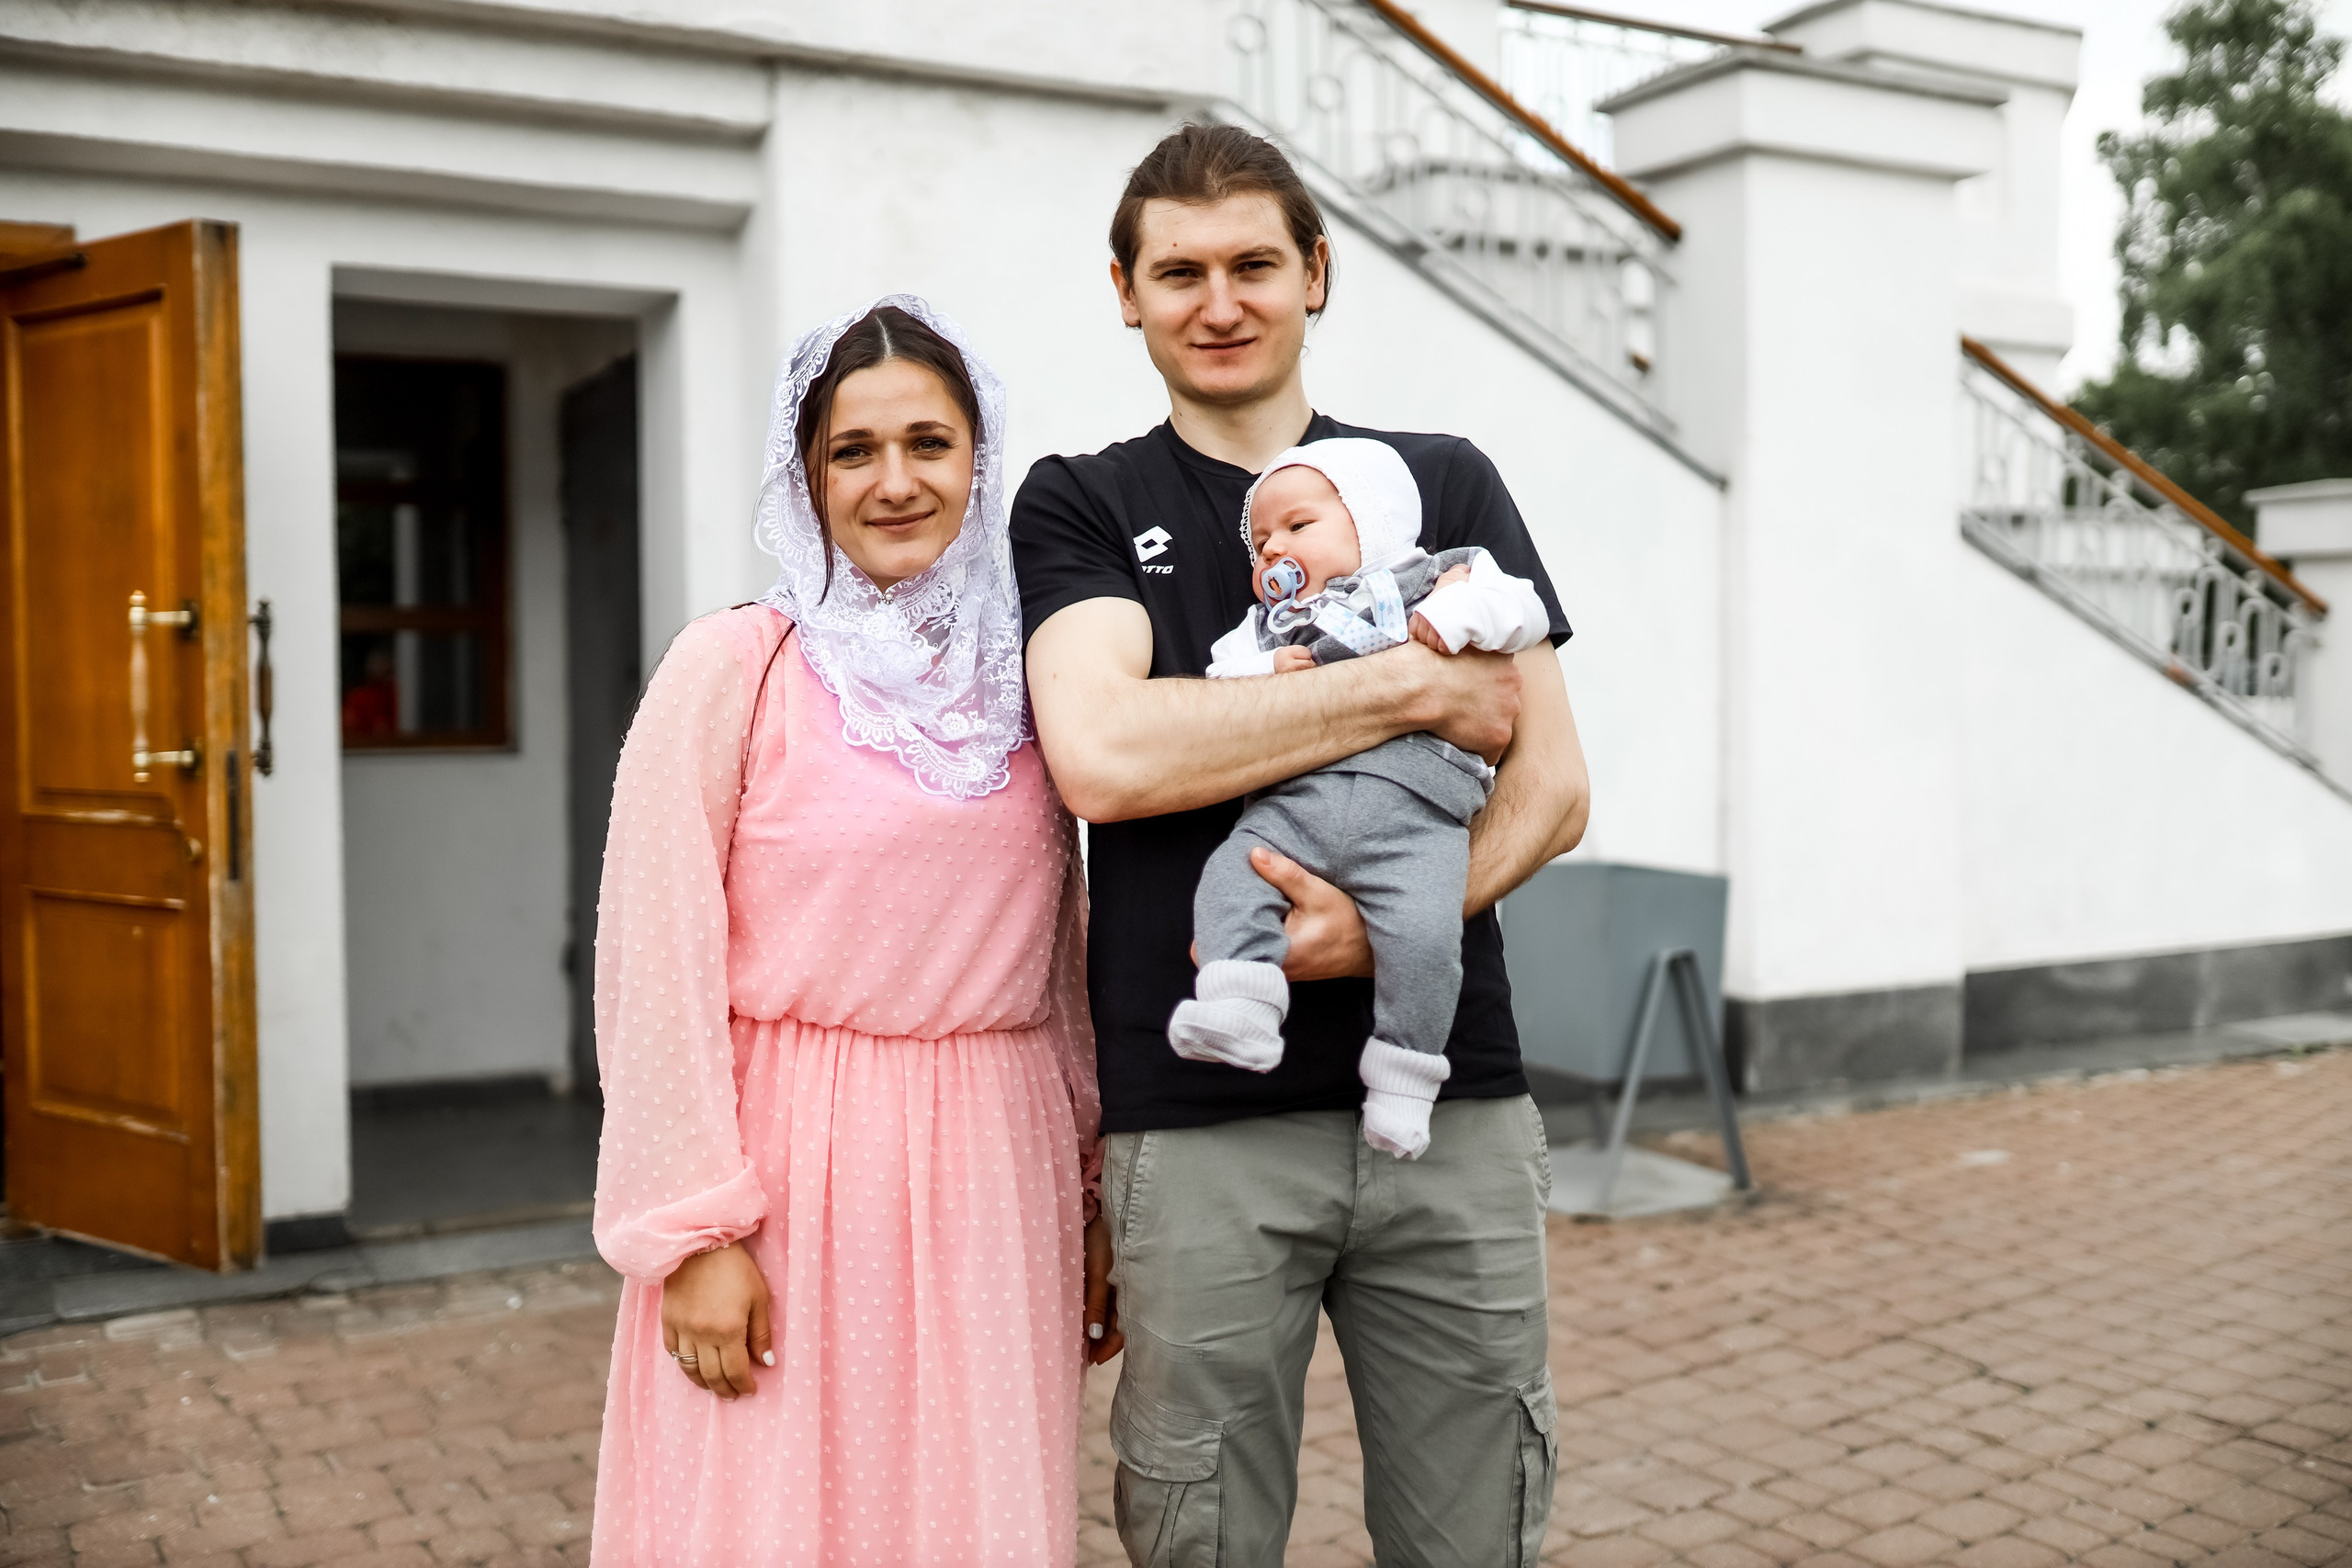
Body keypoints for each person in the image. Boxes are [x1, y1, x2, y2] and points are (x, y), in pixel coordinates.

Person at [1012, 125, 1589, 1566]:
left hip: (1449, 1108)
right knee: (1200, 1532)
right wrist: (1403, 685)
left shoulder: (1445, 482)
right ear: (1125, 291)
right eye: (1181, 270)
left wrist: (1395, 921)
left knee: (1481, 1535)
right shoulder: (1080, 501)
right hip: (1202, 1125)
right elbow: (1103, 755)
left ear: (1316, 274)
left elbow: (1556, 784)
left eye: (1255, 263)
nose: (1221, 300)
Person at [589, 297, 1106, 1568]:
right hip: (790, 1164)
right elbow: (653, 953)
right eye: (853, 450)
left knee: (971, 1518)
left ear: (979, 461)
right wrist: (693, 1229)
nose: (894, 481)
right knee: (768, 1518)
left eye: (930, 443)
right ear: (805, 475)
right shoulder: (735, 666)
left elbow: (1064, 957)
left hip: (998, 1163)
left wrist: (1096, 1193)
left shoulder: (1037, 682)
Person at [1172, 437, 1552, 1166]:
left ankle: (1405, 1081)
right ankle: (1241, 1005)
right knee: (1229, 875)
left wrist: (1466, 612)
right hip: (1293, 810)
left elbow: (1523, 608)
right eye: (1259, 541)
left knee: (1425, 940)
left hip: (1418, 819)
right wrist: (1262, 670)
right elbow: (1218, 681)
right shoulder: (1271, 627)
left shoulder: (1441, 575)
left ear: (1370, 523)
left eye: (1297, 527)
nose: (1273, 549)